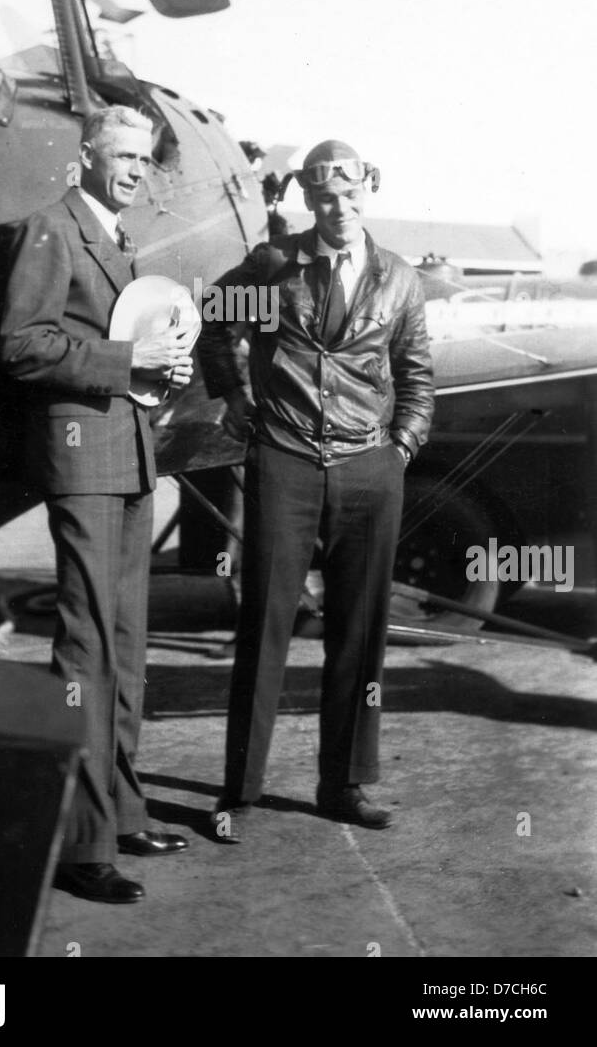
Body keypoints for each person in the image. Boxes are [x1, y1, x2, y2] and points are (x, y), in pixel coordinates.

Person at [198, 138, 435, 839]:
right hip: (284, 460)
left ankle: (345, 784)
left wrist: (400, 446)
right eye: (325, 197)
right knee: (265, 627)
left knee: (359, 636)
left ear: (369, 192)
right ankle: (240, 790)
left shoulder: (398, 278)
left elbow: (417, 375)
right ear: (307, 199)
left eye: (351, 194)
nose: (339, 208)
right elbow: (216, 325)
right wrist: (234, 397)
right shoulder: (274, 266)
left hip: (369, 468)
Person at [0, 105, 194, 903]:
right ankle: (82, 846)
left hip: (130, 454)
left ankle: (121, 811)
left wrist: (160, 371)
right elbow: (22, 345)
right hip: (83, 458)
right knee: (85, 646)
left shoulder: (115, 236)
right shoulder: (48, 227)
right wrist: (129, 357)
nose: (133, 170)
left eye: (143, 160)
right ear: (84, 155)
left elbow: (114, 344)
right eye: (119, 155)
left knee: (125, 639)